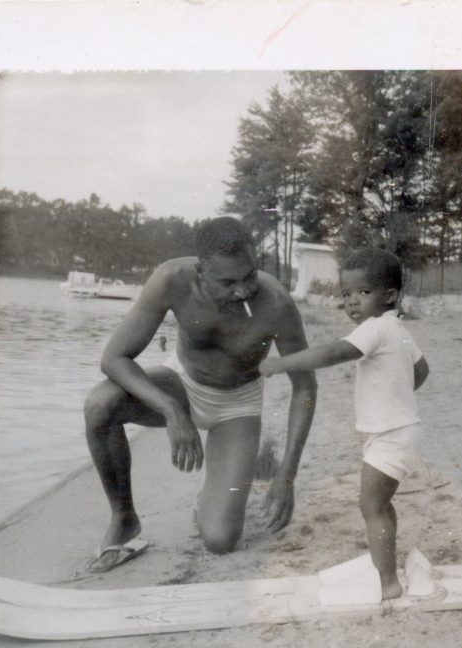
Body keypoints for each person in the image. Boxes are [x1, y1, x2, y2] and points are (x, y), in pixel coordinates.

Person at [83, 217, 317, 571]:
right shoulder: (172, 280)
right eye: (227, 282)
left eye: (249, 275)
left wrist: (286, 476)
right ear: (201, 270)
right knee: (100, 404)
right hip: (182, 384)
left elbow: (305, 387)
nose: (242, 291)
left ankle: (210, 499)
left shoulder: (277, 305)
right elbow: (113, 358)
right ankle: (124, 517)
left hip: (238, 403)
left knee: (220, 540)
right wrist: (172, 412)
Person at [258, 247, 430, 611]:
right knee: (380, 505)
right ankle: (389, 572)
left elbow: (335, 353)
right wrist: (397, 391)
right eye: (346, 294)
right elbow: (422, 370)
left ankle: (388, 585)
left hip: (392, 436)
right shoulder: (396, 329)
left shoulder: (375, 328)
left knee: (371, 505)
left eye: (363, 293)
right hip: (396, 432)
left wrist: (281, 363)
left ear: (390, 295)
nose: (352, 301)